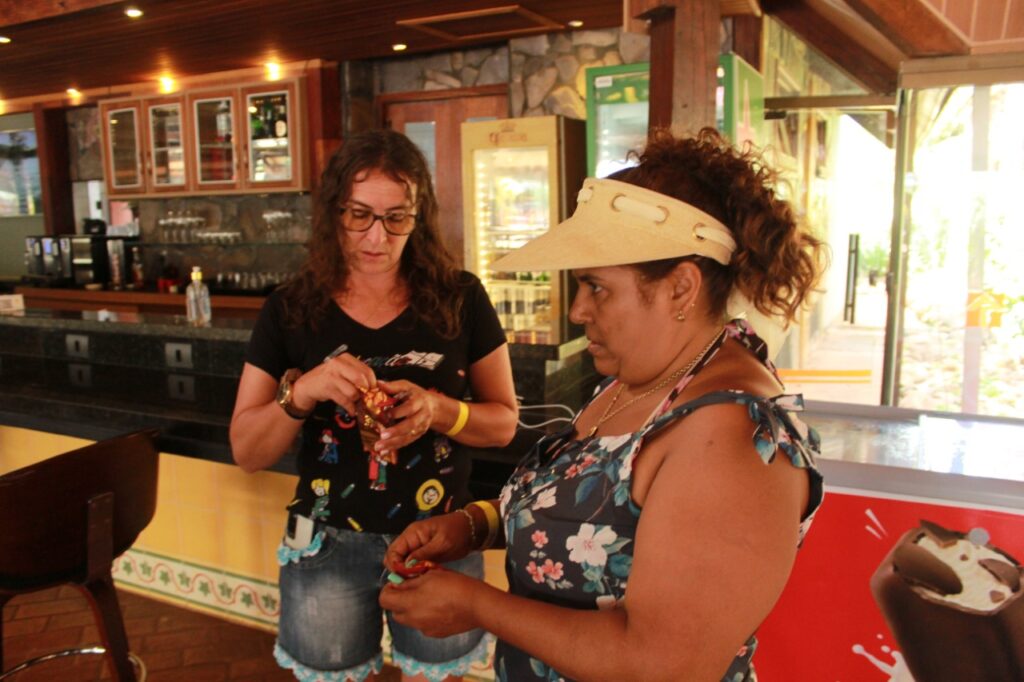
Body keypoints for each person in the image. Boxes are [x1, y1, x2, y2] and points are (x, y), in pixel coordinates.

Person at [379, 128, 827, 681]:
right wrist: (475, 526)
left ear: (681, 288)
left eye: (598, 288)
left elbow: (662, 665)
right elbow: (597, 522)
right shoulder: (645, 378)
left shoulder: (731, 437)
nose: (578, 310)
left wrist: (477, 605)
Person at [230, 128, 519, 682]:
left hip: (440, 537)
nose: (376, 237)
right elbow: (246, 449)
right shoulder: (290, 309)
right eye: (358, 215)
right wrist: (304, 392)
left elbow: (503, 424)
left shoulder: (461, 297)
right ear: (334, 212)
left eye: (396, 218)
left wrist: (439, 411)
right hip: (326, 546)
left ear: (420, 216)